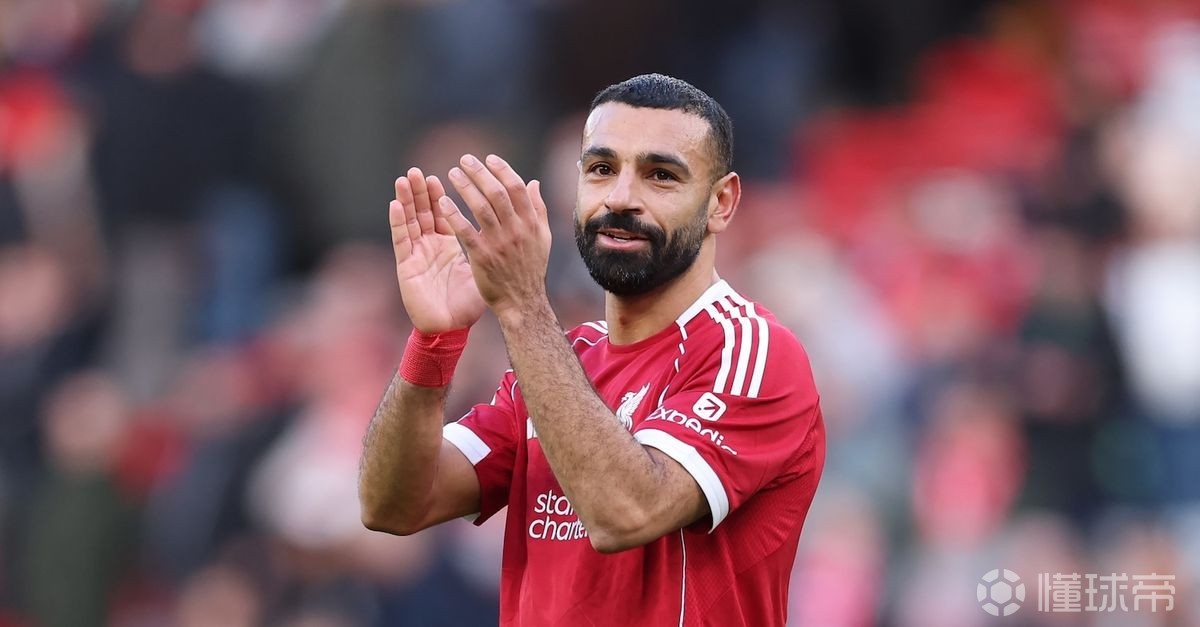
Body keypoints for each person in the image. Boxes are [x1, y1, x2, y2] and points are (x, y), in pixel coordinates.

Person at [358, 73, 825, 626]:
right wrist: (434, 342)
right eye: (602, 169)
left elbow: (625, 512)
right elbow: (393, 505)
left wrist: (522, 305)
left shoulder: (754, 353)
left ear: (720, 202)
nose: (621, 198)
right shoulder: (563, 359)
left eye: (661, 175)